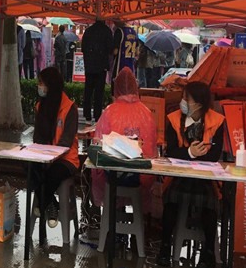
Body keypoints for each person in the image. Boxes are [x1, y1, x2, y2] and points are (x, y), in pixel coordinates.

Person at [156, 81, 225, 268]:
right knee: (171, 200)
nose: (183, 102)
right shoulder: (173, 119)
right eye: (183, 97)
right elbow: (170, 152)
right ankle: (164, 248)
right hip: (179, 175)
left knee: (210, 204)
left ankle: (208, 253)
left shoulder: (217, 121)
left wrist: (194, 155)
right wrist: (190, 153)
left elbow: (214, 155)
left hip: (206, 177)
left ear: (199, 104)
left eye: (187, 99)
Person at [91, 68, 157, 213]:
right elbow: (152, 149)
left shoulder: (109, 112)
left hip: (114, 176)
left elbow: (98, 145)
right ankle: (137, 224)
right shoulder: (146, 113)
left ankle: (114, 221)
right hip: (142, 176)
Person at [32, 66, 80, 226]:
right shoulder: (40, 106)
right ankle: (51, 204)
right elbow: (37, 138)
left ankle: (43, 203)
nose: (39, 86)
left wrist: (50, 159)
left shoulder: (69, 108)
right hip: (45, 156)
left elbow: (66, 142)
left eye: (42, 83)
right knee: (29, 167)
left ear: (51, 85)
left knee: (52, 174)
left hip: (66, 159)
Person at [81, 18, 113, 122]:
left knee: (88, 91)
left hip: (89, 66)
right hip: (101, 66)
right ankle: (97, 115)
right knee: (99, 93)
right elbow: (110, 49)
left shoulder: (88, 31)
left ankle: (87, 115)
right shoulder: (107, 31)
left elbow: (83, 48)